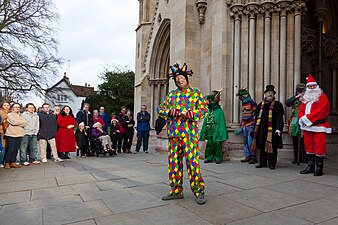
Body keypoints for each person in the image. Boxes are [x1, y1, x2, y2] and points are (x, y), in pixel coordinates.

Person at [157, 63, 208, 205]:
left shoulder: (195, 93)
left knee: (192, 163)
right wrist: (169, 112)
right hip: (174, 135)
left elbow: (204, 110)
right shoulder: (172, 95)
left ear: (186, 78)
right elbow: (160, 109)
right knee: (174, 163)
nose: (179, 80)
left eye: (181, 77)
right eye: (177, 78)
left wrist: (192, 113)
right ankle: (176, 191)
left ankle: (199, 191)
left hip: (189, 135)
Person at [298, 74, 332, 176]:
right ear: (307, 88)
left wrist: (307, 118)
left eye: (313, 86)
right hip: (307, 126)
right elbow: (301, 110)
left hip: (319, 126)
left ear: (316, 86)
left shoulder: (322, 97)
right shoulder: (305, 98)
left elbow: (321, 111)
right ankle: (310, 166)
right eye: (309, 86)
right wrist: (302, 118)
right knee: (308, 146)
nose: (312, 88)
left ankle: (319, 168)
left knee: (319, 147)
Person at [251, 85, 284, 170]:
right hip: (262, 130)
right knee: (262, 146)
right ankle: (262, 163)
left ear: (274, 95)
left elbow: (280, 118)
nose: (270, 95)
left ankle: (272, 163)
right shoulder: (260, 105)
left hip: (272, 130)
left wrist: (278, 129)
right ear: (265, 94)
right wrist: (254, 129)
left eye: (271, 93)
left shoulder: (277, 105)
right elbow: (256, 118)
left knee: (272, 147)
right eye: (268, 93)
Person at [200, 89, 229, 164]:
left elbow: (221, 123)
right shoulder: (209, 110)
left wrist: (220, 131)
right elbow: (206, 120)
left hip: (216, 129)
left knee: (216, 144)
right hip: (209, 129)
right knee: (209, 143)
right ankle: (209, 157)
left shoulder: (219, 111)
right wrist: (204, 130)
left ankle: (218, 157)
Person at [234, 88, 258, 164]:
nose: (240, 98)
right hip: (245, 125)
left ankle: (253, 156)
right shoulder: (244, 103)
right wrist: (242, 125)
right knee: (245, 141)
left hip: (251, 124)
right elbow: (244, 114)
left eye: (241, 96)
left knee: (250, 140)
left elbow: (255, 114)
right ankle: (248, 155)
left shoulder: (252, 102)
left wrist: (254, 125)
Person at [285, 83, 306, 164]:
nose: (300, 91)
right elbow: (287, 103)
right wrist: (296, 97)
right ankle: (297, 157)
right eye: (299, 90)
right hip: (294, 120)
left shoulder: (307, 98)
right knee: (295, 139)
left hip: (304, 120)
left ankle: (305, 158)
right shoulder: (295, 98)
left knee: (304, 140)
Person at [4, 103, 26, 169]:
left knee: (16, 149)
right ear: (12, 108)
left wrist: (19, 122)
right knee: (11, 149)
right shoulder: (9, 115)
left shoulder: (21, 115)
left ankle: (13, 162)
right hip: (12, 134)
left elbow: (25, 123)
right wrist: (20, 122)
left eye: (18, 107)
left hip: (20, 134)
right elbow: (13, 122)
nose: (17, 108)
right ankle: (7, 162)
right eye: (15, 107)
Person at [0, 100, 10, 167]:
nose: (6, 107)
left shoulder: (10, 112)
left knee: (8, 147)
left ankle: (6, 161)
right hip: (2, 131)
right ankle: (1, 161)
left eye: (8, 105)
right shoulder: (0, 112)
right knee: (3, 147)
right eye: (5, 105)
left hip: (10, 131)